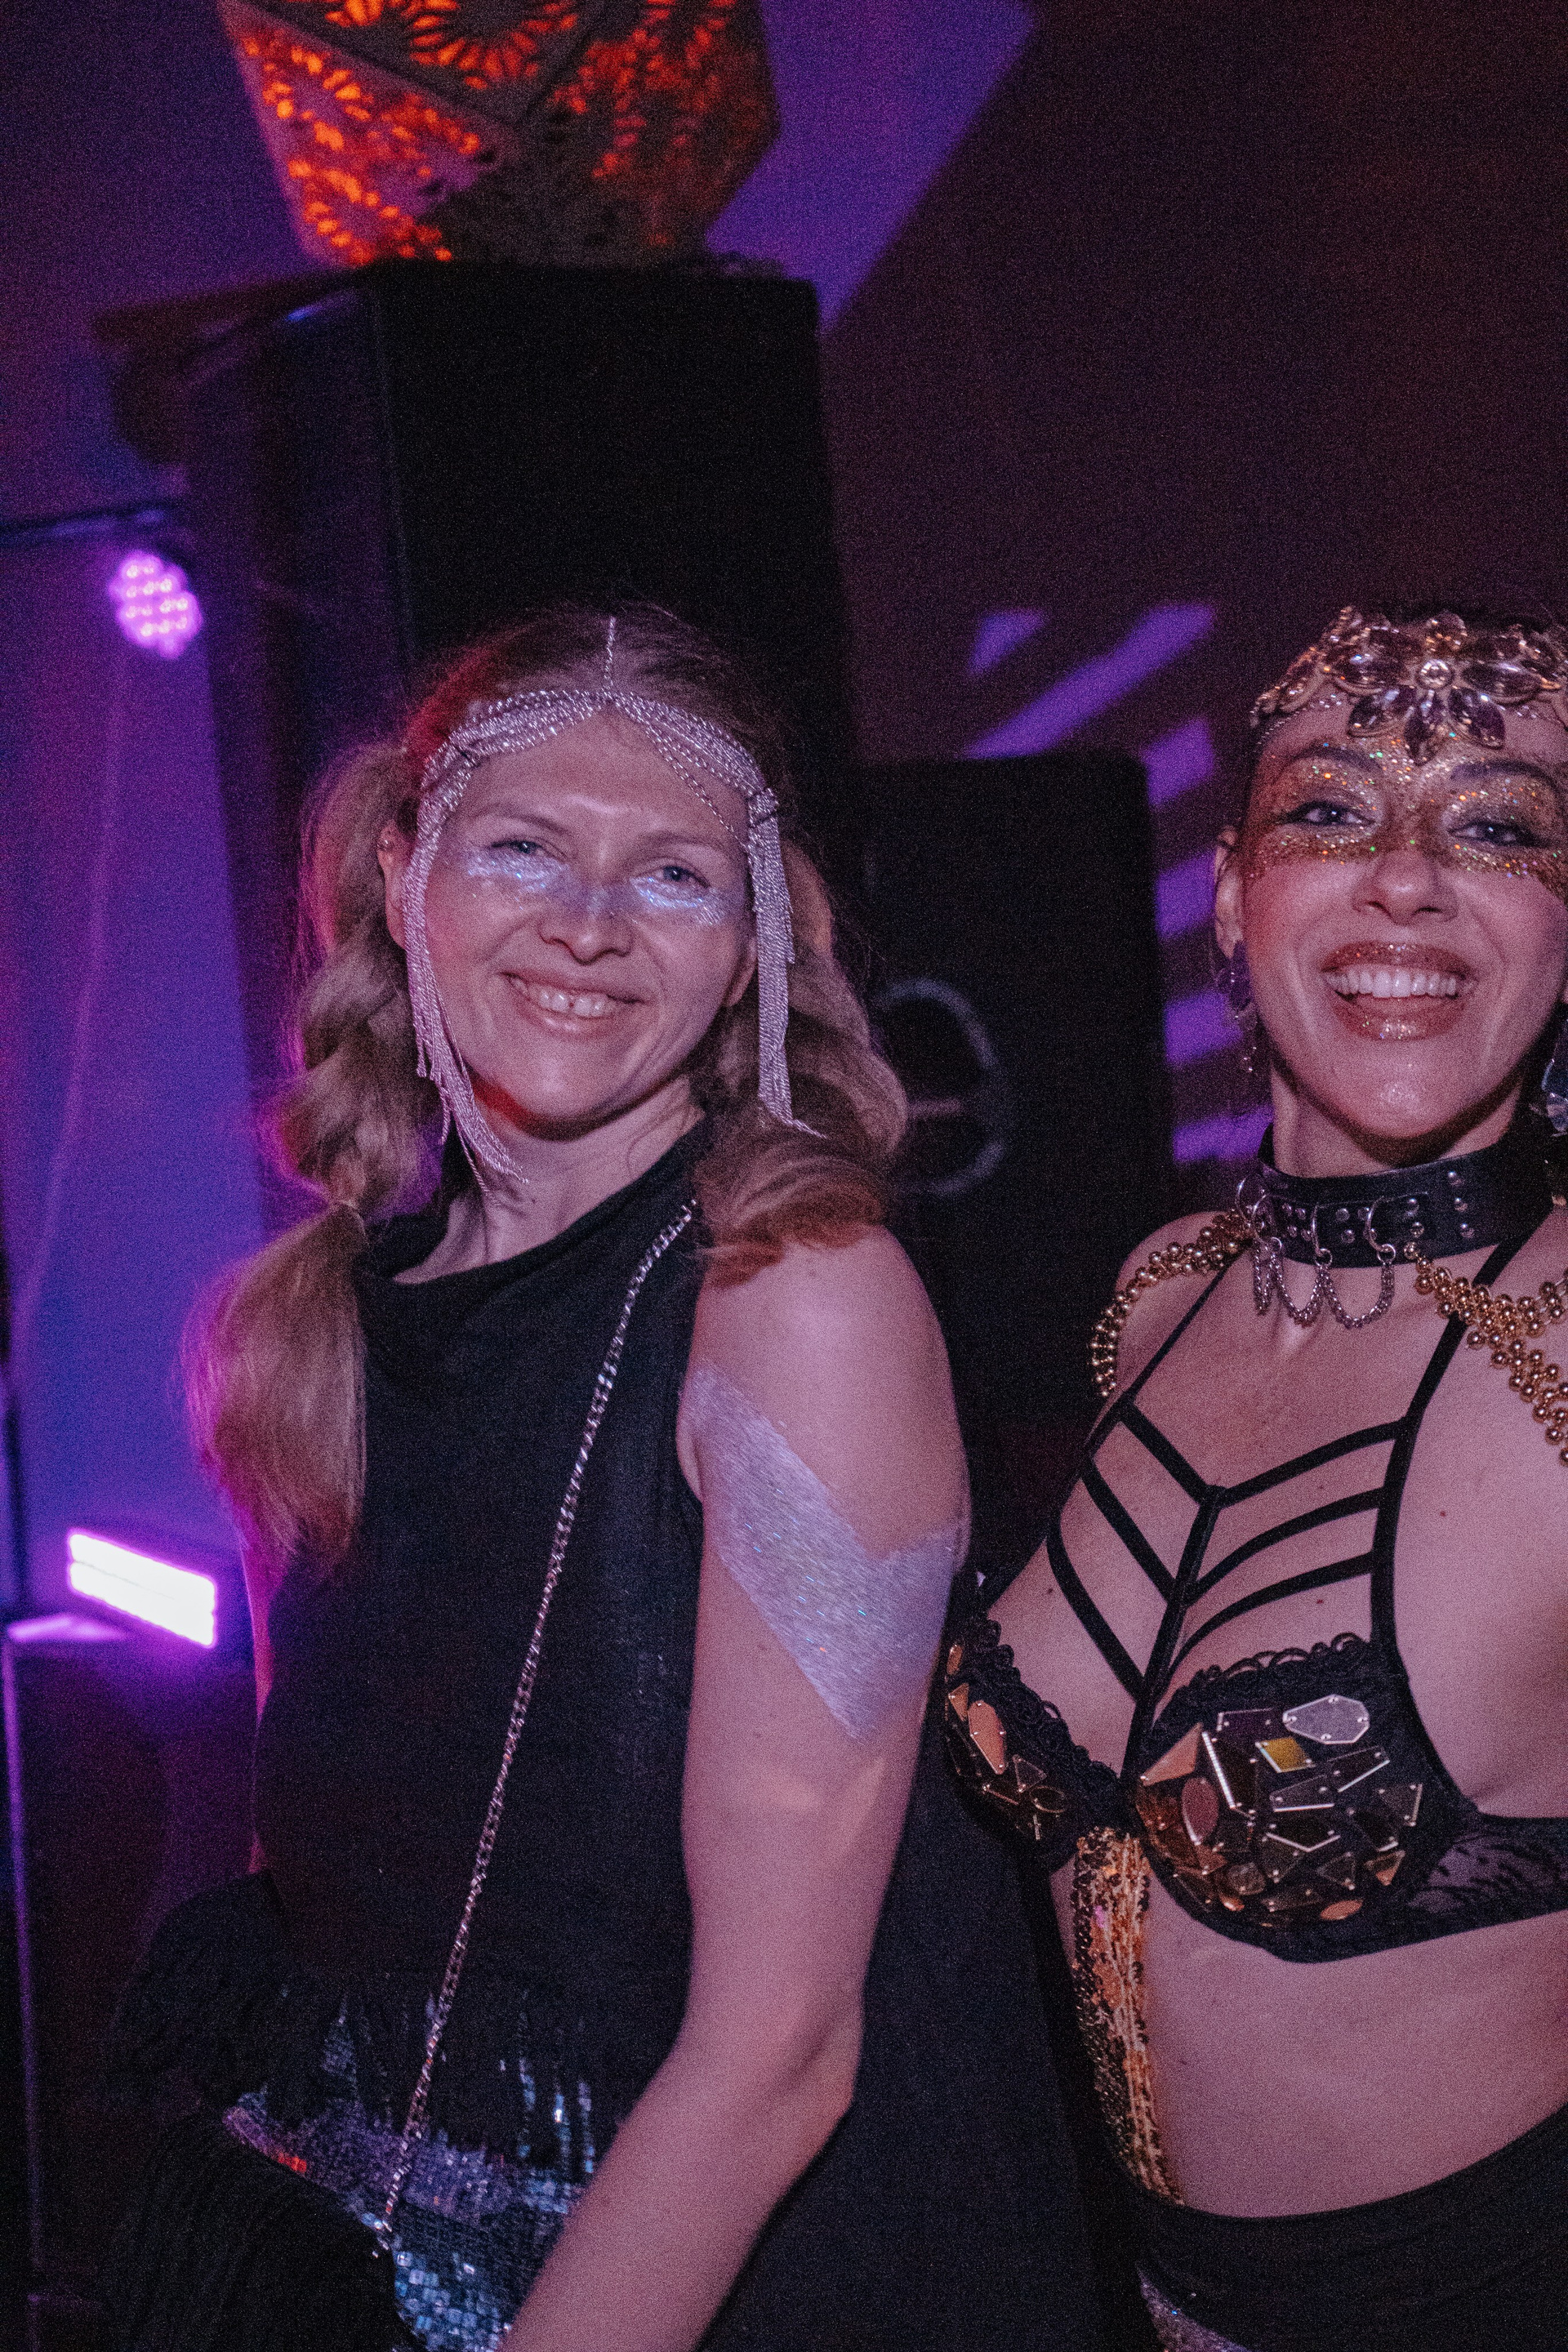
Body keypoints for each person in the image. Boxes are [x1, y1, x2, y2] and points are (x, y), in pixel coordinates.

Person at [100, 606, 1100, 2352]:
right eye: (522, 848)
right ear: (404, 876)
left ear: (754, 943)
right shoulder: (312, 1329)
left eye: (676, 877)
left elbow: (779, 2051)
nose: (587, 924)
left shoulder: (796, 1303)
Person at [944, 604, 1568, 2352]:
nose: (1406, 881)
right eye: (1331, 810)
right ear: (1231, 894)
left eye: (1501, 826)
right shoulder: (1158, 1296)